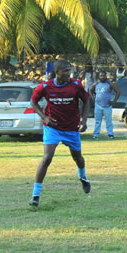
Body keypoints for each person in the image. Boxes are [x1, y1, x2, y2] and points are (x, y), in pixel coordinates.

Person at [29, 60, 91, 208]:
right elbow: (33, 101)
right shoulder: (45, 87)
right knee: (47, 157)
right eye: (65, 71)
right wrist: (44, 117)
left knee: (78, 157)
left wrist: (84, 120)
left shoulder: (75, 85)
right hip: (53, 127)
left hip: (71, 128)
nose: (69, 74)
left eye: (69, 71)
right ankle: (35, 195)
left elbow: (87, 100)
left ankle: (83, 177)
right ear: (57, 73)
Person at [89, 71, 121, 139]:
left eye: (104, 75)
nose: (102, 77)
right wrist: (92, 98)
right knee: (98, 121)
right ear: (99, 77)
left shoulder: (110, 84)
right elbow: (90, 89)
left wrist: (114, 101)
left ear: (106, 76)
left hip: (107, 106)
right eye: (101, 76)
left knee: (108, 121)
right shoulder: (96, 83)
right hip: (98, 105)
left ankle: (110, 134)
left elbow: (118, 91)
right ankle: (96, 135)